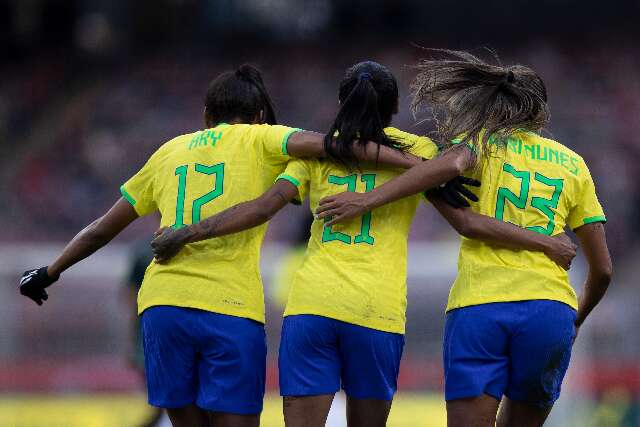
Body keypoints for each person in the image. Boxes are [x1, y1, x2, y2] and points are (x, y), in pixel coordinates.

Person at [149, 61, 577, 427]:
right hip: (377, 312)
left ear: (341, 103)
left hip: (311, 308)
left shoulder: (314, 152)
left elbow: (268, 204)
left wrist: (188, 231)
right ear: (392, 107)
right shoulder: (421, 151)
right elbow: (461, 214)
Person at [17, 64, 422, 427]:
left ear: (206, 115)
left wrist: (49, 272)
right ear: (260, 115)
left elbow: (100, 230)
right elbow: (339, 147)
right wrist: (415, 165)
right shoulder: (264, 138)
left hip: (162, 306)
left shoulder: (168, 152)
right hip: (229, 308)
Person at [314, 50, 613, 427]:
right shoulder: (573, 164)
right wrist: (575, 320)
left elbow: (456, 201)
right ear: (540, 110)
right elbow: (602, 269)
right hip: (549, 309)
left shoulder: (476, 145)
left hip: (479, 308)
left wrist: (366, 200)